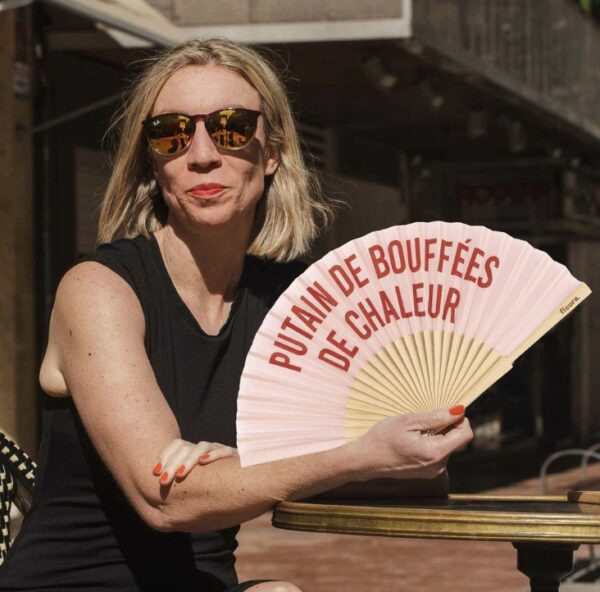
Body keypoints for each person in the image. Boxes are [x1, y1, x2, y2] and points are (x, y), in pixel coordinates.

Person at [0, 39, 472, 591]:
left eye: (231, 127)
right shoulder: (99, 289)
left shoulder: (294, 303)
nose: (201, 154)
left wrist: (401, 449)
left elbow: (412, 476)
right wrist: (347, 456)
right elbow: (166, 498)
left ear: (271, 152)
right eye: (171, 133)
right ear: (152, 160)